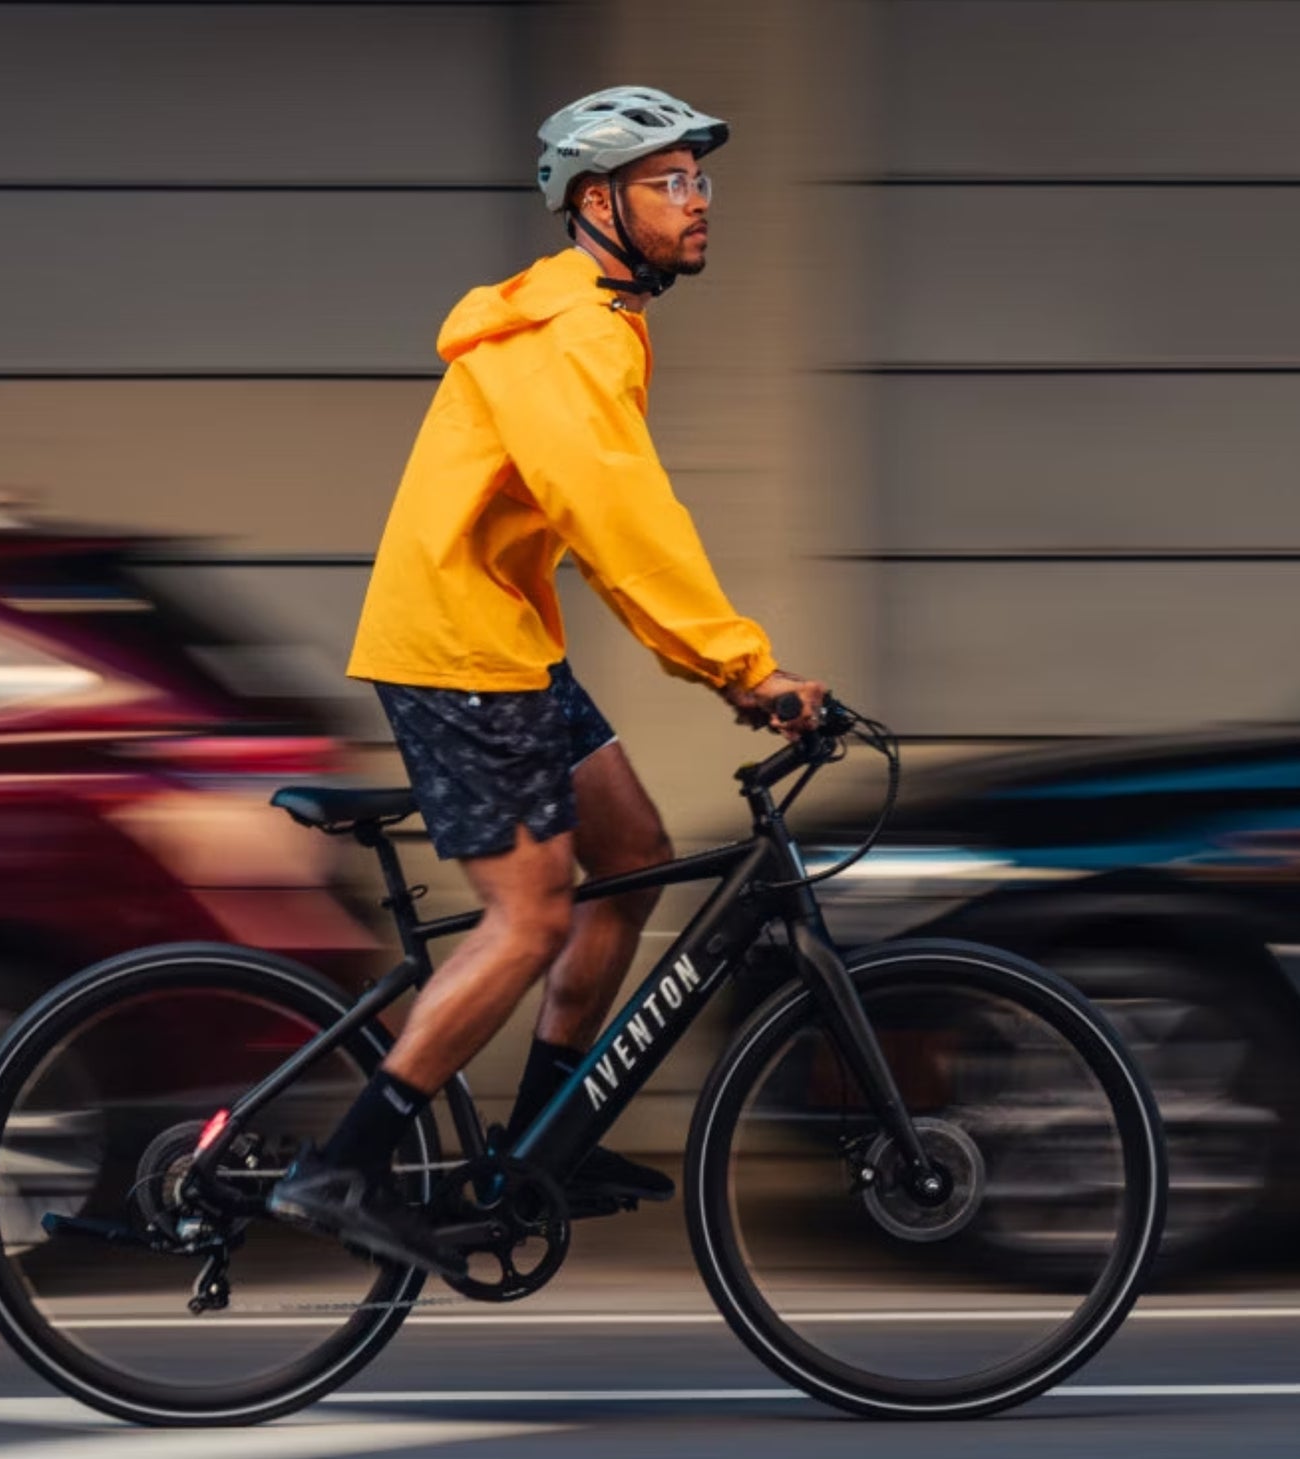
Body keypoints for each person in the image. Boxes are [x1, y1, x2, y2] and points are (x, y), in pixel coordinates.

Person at [268, 85, 828, 1276]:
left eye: (700, 180)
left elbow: (606, 522)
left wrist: (720, 665)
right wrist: (741, 666)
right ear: (598, 200)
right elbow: (619, 518)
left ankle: (540, 1144)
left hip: (508, 646)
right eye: (671, 182)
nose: (698, 202)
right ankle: (344, 1163)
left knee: (628, 857)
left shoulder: (600, 315)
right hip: (459, 657)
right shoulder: (565, 334)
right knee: (528, 919)